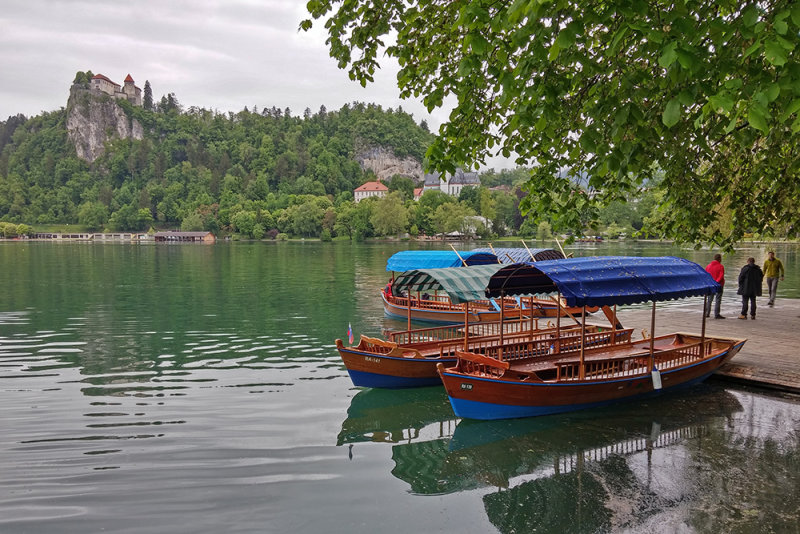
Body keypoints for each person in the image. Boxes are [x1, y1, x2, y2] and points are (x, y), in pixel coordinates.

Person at [704, 253, 725, 319]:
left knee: (709, 299)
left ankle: (707, 313)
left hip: (710, 285)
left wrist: (710, 282)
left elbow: (706, 275)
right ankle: (716, 314)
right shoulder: (721, 266)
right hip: (718, 285)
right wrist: (716, 282)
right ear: (719, 259)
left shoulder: (708, 266)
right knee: (718, 299)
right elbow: (721, 276)